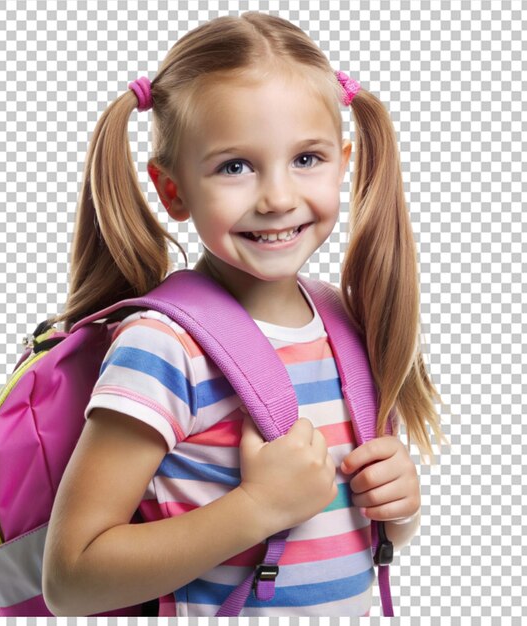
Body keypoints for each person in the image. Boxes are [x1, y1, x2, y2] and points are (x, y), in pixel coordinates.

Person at [41, 11, 448, 617]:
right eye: (235, 166)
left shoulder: (345, 323)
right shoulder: (164, 346)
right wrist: (257, 508)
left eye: (307, 159)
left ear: (343, 161)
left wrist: (398, 507)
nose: (278, 197)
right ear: (173, 190)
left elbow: (344, 538)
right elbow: (71, 578)